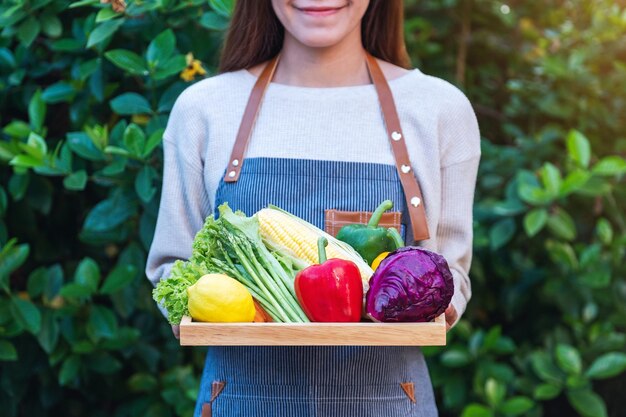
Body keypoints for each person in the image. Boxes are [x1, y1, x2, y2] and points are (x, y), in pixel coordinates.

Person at [146, 0, 481, 415]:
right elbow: (172, 269)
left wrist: (429, 303)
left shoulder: (439, 110)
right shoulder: (204, 109)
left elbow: (452, 275)